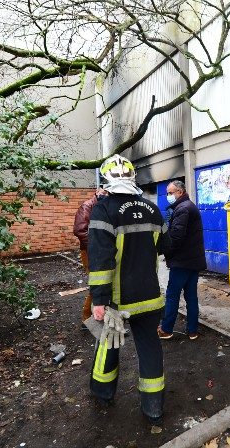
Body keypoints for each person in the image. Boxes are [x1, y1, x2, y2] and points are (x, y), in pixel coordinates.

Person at [87, 154, 171, 423]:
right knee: (150, 348)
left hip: (118, 302)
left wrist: (99, 300)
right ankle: (153, 406)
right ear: (133, 178)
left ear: (105, 180)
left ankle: (102, 392)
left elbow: (101, 261)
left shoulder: (104, 210)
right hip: (150, 298)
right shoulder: (153, 209)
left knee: (109, 345)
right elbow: (166, 247)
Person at [158, 180, 206, 340]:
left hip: (182, 261)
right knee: (191, 296)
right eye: (167, 193)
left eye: (170, 193)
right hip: (192, 260)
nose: (168, 196)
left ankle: (166, 329)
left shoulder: (183, 209)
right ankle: (192, 331)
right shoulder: (187, 206)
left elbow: (176, 237)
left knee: (172, 295)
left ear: (180, 192)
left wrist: (164, 251)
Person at [73, 188, 107, 324]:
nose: (105, 195)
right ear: (97, 191)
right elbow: (80, 230)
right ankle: (87, 318)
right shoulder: (87, 206)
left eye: (108, 193)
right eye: (103, 192)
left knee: (102, 283)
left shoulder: (103, 206)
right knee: (96, 284)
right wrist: (97, 246)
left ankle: (98, 316)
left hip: (101, 251)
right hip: (90, 252)